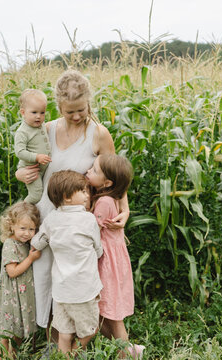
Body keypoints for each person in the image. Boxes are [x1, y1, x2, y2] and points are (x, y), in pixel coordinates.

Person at [15, 69, 130, 342]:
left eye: (81, 109)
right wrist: (20, 174)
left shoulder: (99, 134)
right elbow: (26, 165)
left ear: (88, 101)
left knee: (75, 280)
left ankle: (79, 339)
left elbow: (116, 178)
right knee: (45, 278)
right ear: (59, 108)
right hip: (47, 217)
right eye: (70, 112)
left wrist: (124, 210)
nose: (77, 116)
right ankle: (50, 341)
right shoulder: (46, 130)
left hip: (80, 224)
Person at [31, 170, 102, 358]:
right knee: (90, 330)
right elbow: (98, 248)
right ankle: (73, 354)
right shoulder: (88, 219)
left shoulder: (52, 219)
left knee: (64, 333)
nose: (88, 194)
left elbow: (37, 242)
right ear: (67, 197)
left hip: (61, 291)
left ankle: (64, 356)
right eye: (83, 191)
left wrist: (39, 244)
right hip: (84, 290)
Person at [86, 154, 145, 359]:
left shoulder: (103, 201)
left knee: (112, 313)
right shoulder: (111, 198)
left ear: (107, 183)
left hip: (106, 262)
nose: (87, 172)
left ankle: (126, 354)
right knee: (105, 311)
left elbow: (93, 230)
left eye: (93, 171)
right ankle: (127, 349)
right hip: (114, 258)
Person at [0, 201, 42, 359]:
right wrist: (31, 258)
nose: (27, 233)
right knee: (8, 334)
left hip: (22, 297)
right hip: (11, 297)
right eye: (22, 228)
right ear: (11, 226)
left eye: (31, 229)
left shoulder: (26, 244)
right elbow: (12, 272)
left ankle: (12, 357)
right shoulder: (10, 244)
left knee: (18, 333)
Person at [14, 89, 51, 204]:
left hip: (42, 169)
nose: (38, 117)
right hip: (31, 170)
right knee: (36, 196)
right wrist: (37, 157)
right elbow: (19, 152)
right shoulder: (23, 132)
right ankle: (22, 210)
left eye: (42, 113)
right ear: (23, 112)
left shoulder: (42, 125)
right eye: (34, 112)